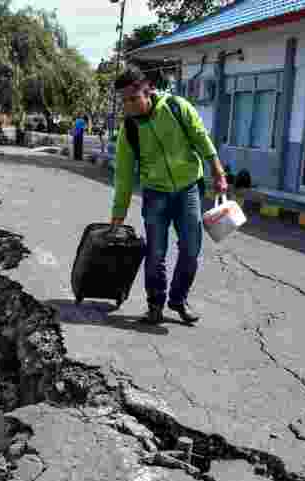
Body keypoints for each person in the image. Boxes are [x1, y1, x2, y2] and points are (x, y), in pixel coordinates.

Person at [109, 67, 228, 325]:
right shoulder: (129, 128)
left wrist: (218, 172)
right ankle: (155, 304)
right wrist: (118, 216)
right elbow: (124, 175)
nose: (129, 105)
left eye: (133, 98)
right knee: (155, 252)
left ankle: (179, 300)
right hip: (155, 194)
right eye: (124, 101)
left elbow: (201, 138)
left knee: (190, 249)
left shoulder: (176, 107)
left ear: (148, 89)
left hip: (188, 189)